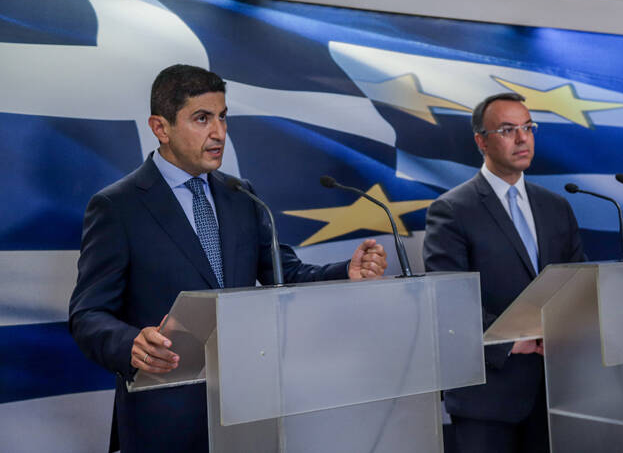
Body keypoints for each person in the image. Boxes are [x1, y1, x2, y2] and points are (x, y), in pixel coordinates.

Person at [69, 64, 387, 453]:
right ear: (160, 128)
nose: (219, 132)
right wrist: (130, 344)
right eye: (202, 119)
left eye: (222, 117)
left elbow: (285, 274)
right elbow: (88, 314)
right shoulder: (118, 206)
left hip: (246, 409)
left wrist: (345, 272)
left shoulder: (241, 195)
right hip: (165, 418)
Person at [423, 93, 585, 453]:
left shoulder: (556, 206)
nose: (522, 138)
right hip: (488, 397)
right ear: (481, 141)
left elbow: (576, 282)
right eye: (508, 130)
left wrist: (566, 330)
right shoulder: (452, 210)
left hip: (555, 392)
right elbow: (448, 300)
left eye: (528, 128)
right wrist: (510, 341)